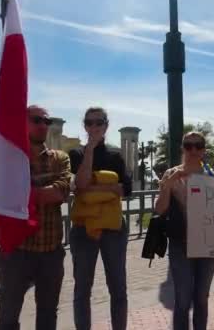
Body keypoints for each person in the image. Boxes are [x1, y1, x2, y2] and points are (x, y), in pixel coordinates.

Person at [0, 105, 72, 330]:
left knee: (48, 315)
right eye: (36, 120)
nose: (42, 125)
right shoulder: (8, 158)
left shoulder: (60, 158)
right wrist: (41, 191)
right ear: (23, 122)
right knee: (8, 315)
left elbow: (60, 192)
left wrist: (22, 191)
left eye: (46, 122)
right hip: (16, 252)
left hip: (51, 252)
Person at [68, 107, 132, 330]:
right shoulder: (76, 154)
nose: (94, 127)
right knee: (82, 290)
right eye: (89, 122)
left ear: (106, 125)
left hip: (114, 229)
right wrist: (90, 151)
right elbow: (82, 185)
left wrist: (102, 188)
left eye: (99, 122)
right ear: (84, 125)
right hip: (83, 230)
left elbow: (126, 189)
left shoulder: (116, 156)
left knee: (118, 289)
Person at [154, 132, 214, 330]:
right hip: (180, 245)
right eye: (188, 145)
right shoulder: (171, 174)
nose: (193, 150)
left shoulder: (213, 176)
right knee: (182, 299)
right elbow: (159, 209)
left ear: (204, 150)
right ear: (182, 148)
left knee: (201, 297)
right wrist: (168, 184)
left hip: (208, 246)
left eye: (198, 146)